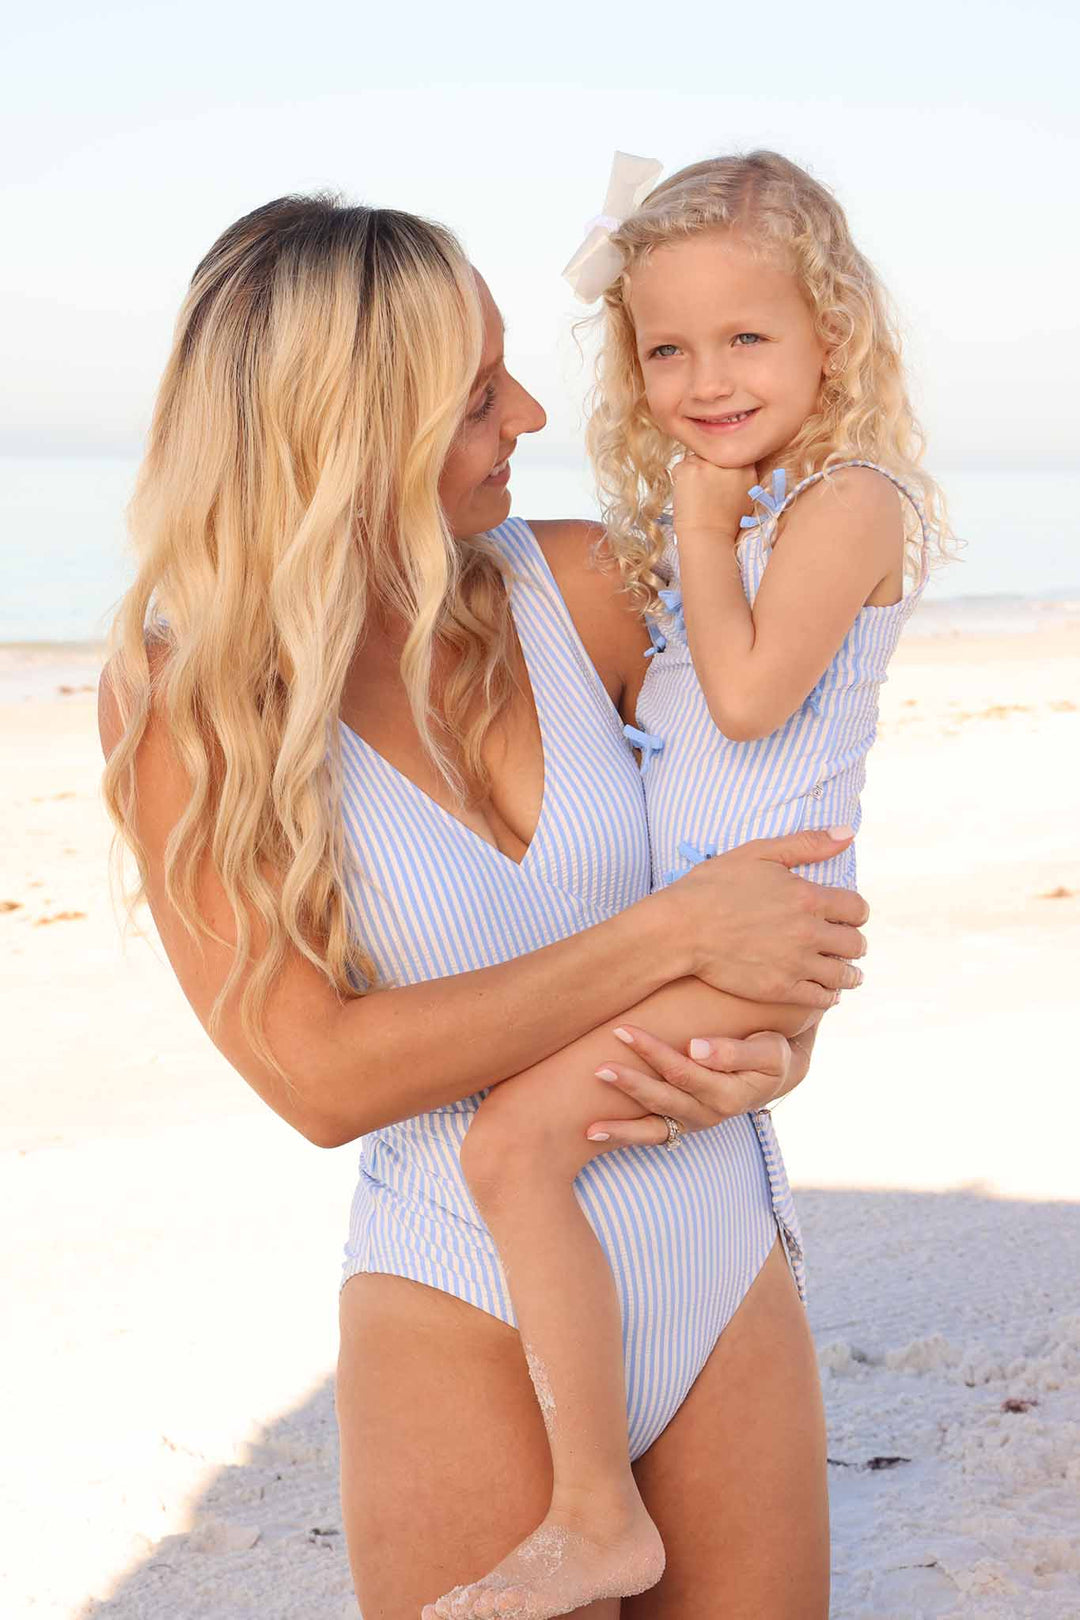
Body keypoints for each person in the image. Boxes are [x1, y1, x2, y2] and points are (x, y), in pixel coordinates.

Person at [97, 194, 868, 1620]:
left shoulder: (587, 586)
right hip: (460, 1296)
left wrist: (781, 1032)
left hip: (719, 1255)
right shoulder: (190, 703)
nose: (529, 414)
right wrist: (669, 937)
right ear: (342, 438)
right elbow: (320, 1077)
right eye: (473, 398)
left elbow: (775, 833)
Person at [432, 151, 949, 1620]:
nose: (707, 380)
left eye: (746, 337)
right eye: (667, 349)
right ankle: (596, 1478)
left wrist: (704, 528)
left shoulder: (847, 500)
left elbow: (745, 697)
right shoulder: (743, 511)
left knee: (509, 1149)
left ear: (832, 335)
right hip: (704, 935)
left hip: (753, 926)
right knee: (525, 1140)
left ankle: (596, 1514)